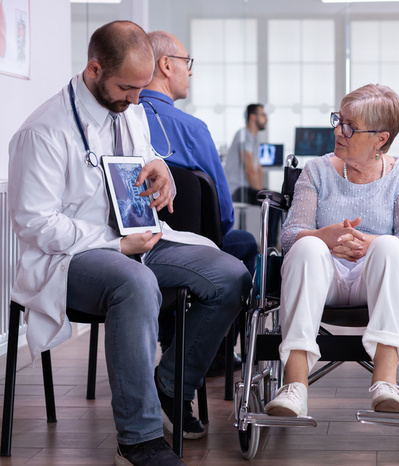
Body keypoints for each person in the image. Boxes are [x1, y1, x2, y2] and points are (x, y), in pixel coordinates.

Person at [8, 21, 251, 466]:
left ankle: (168, 387)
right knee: (135, 283)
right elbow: (33, 223)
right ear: (94, 69)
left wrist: (160, 170)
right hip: (70, 258)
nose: (137, 99)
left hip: (137, 241)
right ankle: (138, 439)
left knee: (231, 275)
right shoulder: (42, 131)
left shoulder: (130, 108)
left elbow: (141, 157)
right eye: (126, 87)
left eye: (142, 88)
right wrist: (113, 246)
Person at [264, 84, 399, 417]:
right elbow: (290, 237)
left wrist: (371, 243)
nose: (338, 130)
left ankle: (385, 382)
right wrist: (324, 236)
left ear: (381, 138)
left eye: (349, 126)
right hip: (325, 279)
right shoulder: (316, 170)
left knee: (392, 247)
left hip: (380, 278)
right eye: (338, 120)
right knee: (307, 246)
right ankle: (294, 387)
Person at [140, 30, 256, 373]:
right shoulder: (192, 128)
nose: (189, 71)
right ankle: (219, 351)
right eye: (185, 63)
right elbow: (221, 212)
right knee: (244, 243)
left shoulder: (121, 122)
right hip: (191, 252)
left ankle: (169, 337)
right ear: (165, 65)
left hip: (129, 246)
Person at [223, 103, 281, 246]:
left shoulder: (254, 138)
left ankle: (271, 245)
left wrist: (261, 189)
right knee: (273, 202)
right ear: (253, 117)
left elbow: (257, 167)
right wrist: (260, 192)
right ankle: (269, 247)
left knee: (276, 199)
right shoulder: (244, 135)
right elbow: (249, 168)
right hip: (236, 189)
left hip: (245, 187)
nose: (265, 118)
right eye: (262, 115)